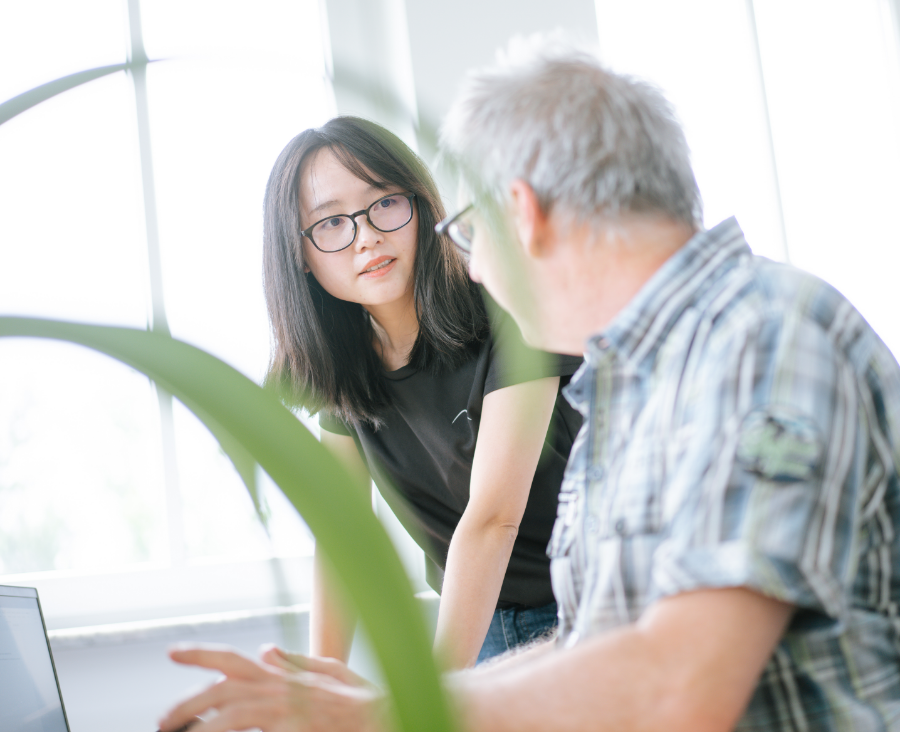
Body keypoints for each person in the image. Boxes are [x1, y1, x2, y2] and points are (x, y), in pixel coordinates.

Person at [159, 37, 900, 732]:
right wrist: (389, 699)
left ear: (522, 212)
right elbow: (593, 643)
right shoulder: (634, 388)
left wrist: (388, 716)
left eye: (466, 232)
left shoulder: (761, 340)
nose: (473, 267)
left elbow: (681, 681)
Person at [261, 116, 581, 670]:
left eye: (384, 202)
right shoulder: (345, 369)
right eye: (331, 222)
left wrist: (432, 705)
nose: (366, 236)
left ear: (421, 203)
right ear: (300, 254)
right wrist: (324, 681)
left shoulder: (508, 308)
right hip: (477, 624)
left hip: (585, 614)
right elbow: (345, 538)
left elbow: (493, 518)